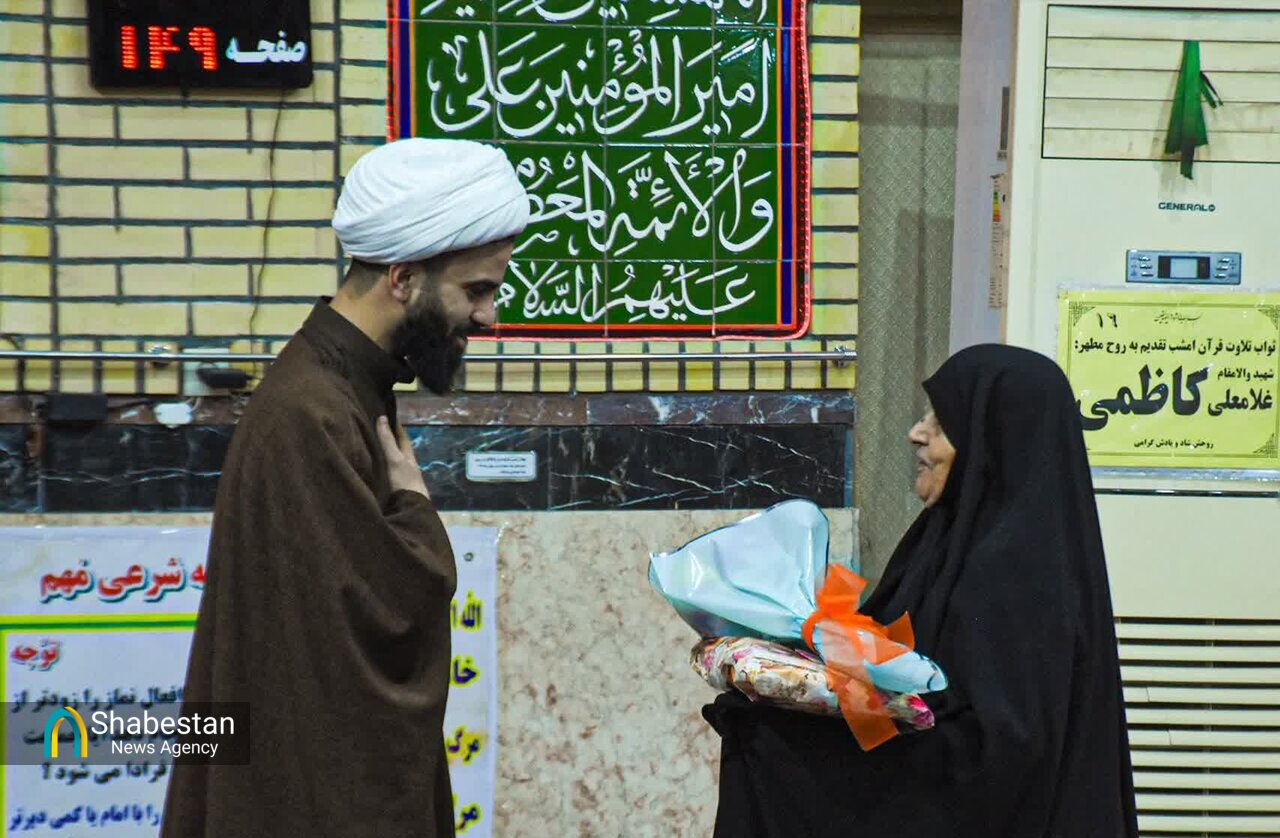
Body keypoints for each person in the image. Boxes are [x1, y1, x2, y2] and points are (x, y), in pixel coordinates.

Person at [160, 138, 529, 837]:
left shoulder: (343, 384)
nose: (488, 316)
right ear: (403, 278)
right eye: (476, 290)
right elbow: (383, 613)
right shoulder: (314, 410)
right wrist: (416, 514)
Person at [702, 344, 1139, 837]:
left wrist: (782, 746)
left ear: (992, 442)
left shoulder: (1015, 574)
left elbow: (994, 763)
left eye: (941, 421)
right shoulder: (945, 543)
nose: (916, 433)